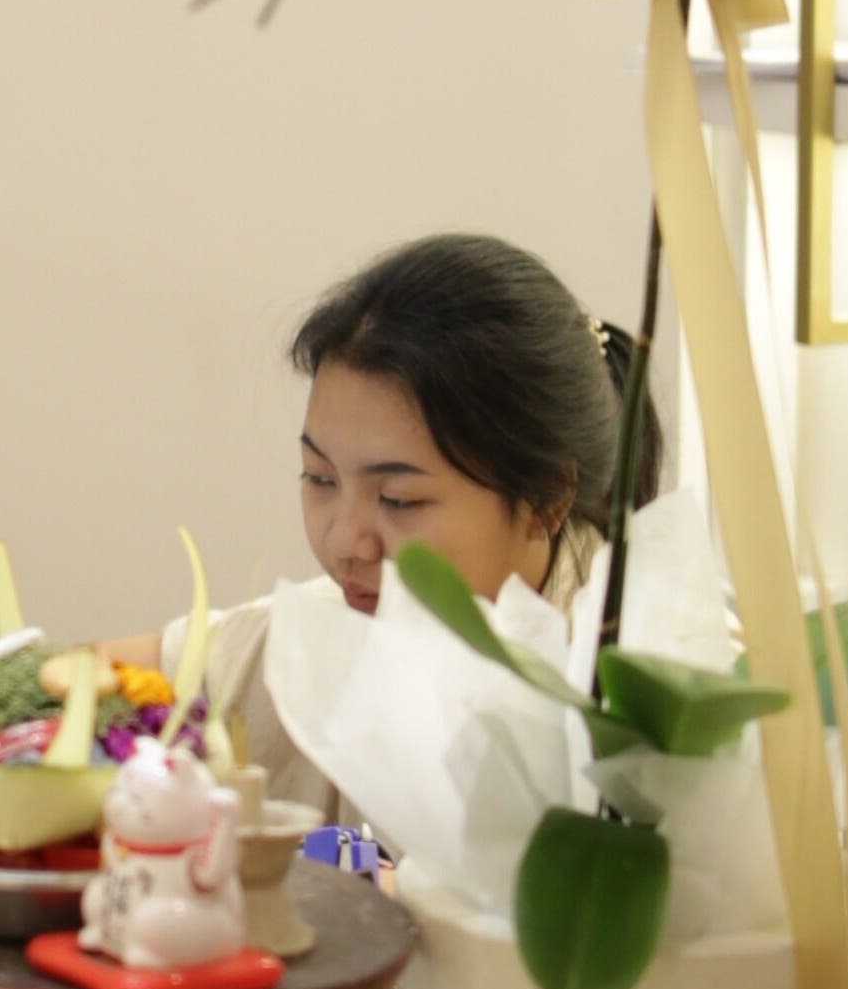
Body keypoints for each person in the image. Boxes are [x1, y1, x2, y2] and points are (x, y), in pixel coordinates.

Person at [112, 232, 662, 821]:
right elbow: (75, 682)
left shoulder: (659, 688)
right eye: (319, 477)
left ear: (546, 499)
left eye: (398, 500)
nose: (344, 542)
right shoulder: (312, 640)